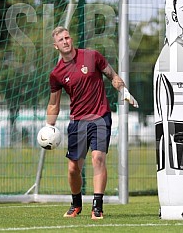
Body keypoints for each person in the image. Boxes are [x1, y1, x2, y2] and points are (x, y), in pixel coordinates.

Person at [45, 26, 138, 220]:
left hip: (100, 117)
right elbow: (53, 104)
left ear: (71, 39)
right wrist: (49, 127)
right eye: (61, 40)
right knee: (73, 169)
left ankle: (97, 205)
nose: (65, 41)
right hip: (77, 122)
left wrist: (124, 91)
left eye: (67, 37)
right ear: (56, 46)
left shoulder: (92, 56)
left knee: (98, 159)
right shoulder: (57, 74)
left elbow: (113, 76)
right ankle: (76, 203)